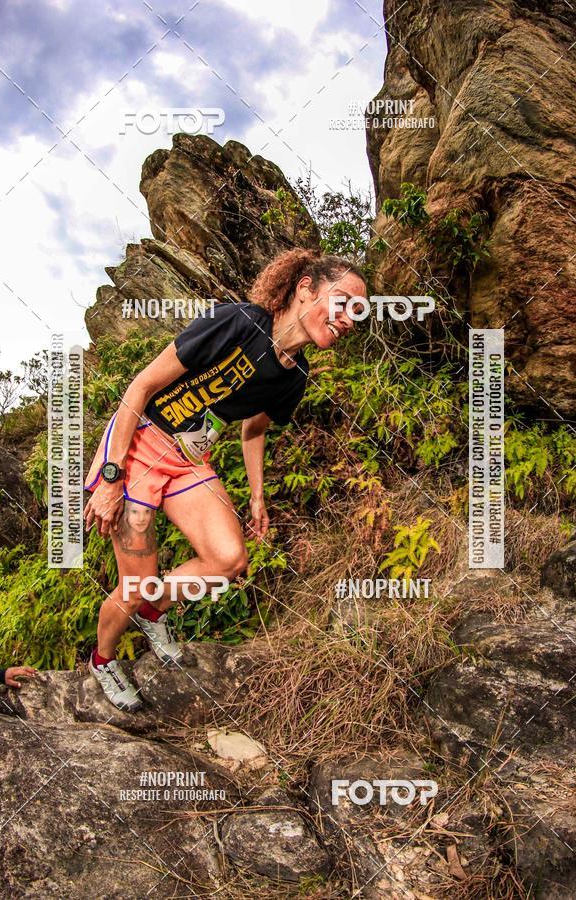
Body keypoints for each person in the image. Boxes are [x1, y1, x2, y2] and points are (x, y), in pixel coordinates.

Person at [83, 248, 367, 712]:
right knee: (134, 585)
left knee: (229, 560)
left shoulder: (295, 376)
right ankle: (102, 660)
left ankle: (155, 613)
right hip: (137, 446)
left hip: (189, 460)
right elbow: (141, 387)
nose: (349, 318)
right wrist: (112, 478)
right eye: (343, 302)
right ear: (304, 290)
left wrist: (257, 496)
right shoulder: (237, 323)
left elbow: (253, 427)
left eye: (358, 312)